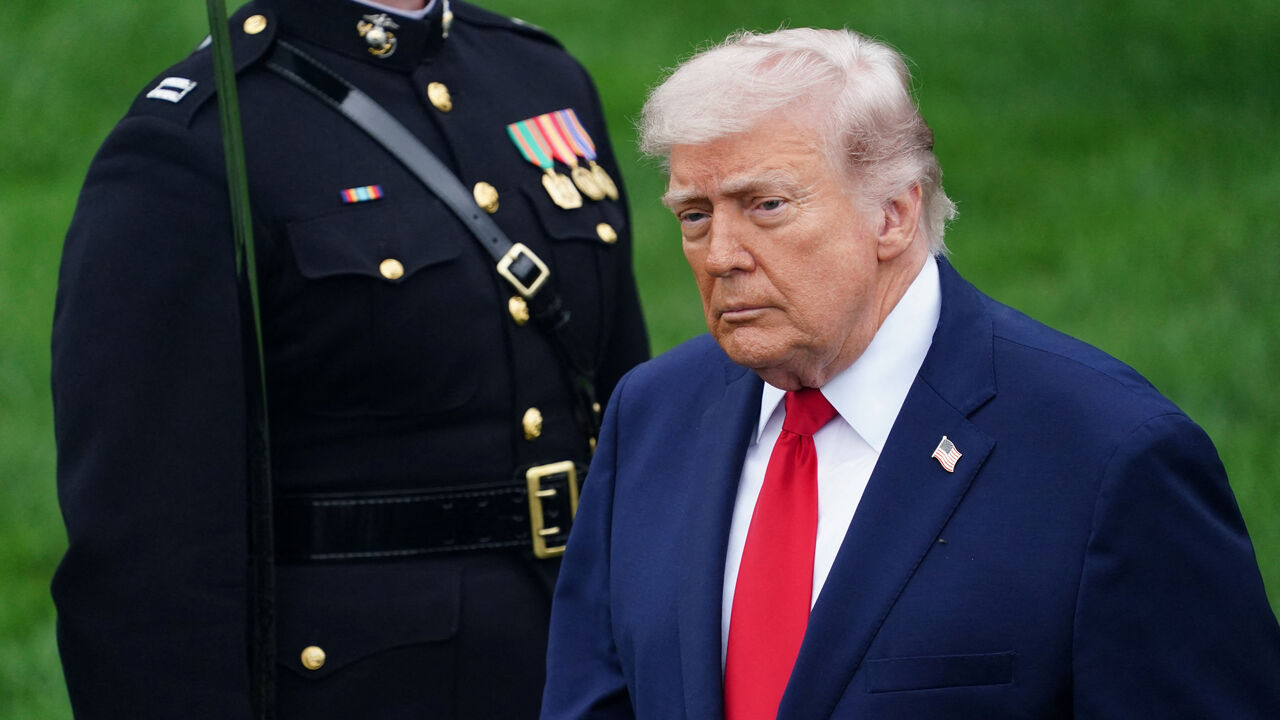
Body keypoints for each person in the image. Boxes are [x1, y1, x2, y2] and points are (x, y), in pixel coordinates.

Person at [540, 27, 1280, 719]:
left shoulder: (1109, 458)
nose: (722, 253)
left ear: (892, 213)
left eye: (764, 205)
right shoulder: (653, 413)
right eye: (694, 215)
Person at [51, 0, 648, 717]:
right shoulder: (200, 143)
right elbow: (145, 564)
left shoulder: (540, 77)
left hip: (586, 662)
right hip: (374, 687)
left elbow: (625, 418)